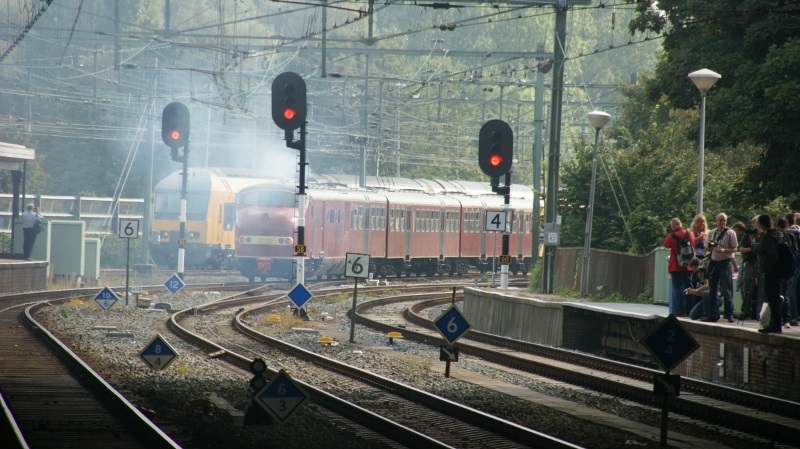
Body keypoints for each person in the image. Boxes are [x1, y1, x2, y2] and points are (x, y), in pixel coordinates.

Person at [753, 214, 784, 333]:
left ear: (761, 224)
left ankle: (774, 325)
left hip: (770, 270)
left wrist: (754, 243)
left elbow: (758, 250)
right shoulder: (778, 234)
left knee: (771, 297)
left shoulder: (767, 237)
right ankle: (776, 323)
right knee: (775, 298)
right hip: (778, 270)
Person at [705, 213, 738, 322]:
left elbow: (735, 248)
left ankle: (729, 314)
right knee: (712, 289)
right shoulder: (712, 233)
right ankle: (712, 314)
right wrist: (709, 245)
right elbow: (706, 247)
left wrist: (725, 250)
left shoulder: (730, 233)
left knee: (726, 289)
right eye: (720, 220)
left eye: (723, 220)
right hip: (714, 262)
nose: (722, 222)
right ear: (716, 221)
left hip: (724, 262)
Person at [663, 217, 694, 316]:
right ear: (681, 224)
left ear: (673, 226)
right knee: (689, 287)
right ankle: (689, 309)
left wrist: (669, 234)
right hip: (688, 266)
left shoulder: (672, 236)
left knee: (678, 287)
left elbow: (666, 245)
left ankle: (681, 310)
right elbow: (693, 243)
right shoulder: (690, 234)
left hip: (676, 266)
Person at [737, 217, 760, 320]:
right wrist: (752, 248)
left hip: (762, 264)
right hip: (751, 262)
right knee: (747, 287)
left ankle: (758, 312)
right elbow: (741, 249)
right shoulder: (748, 235)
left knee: (761, 289)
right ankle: (746, 311)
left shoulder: (765, 234)